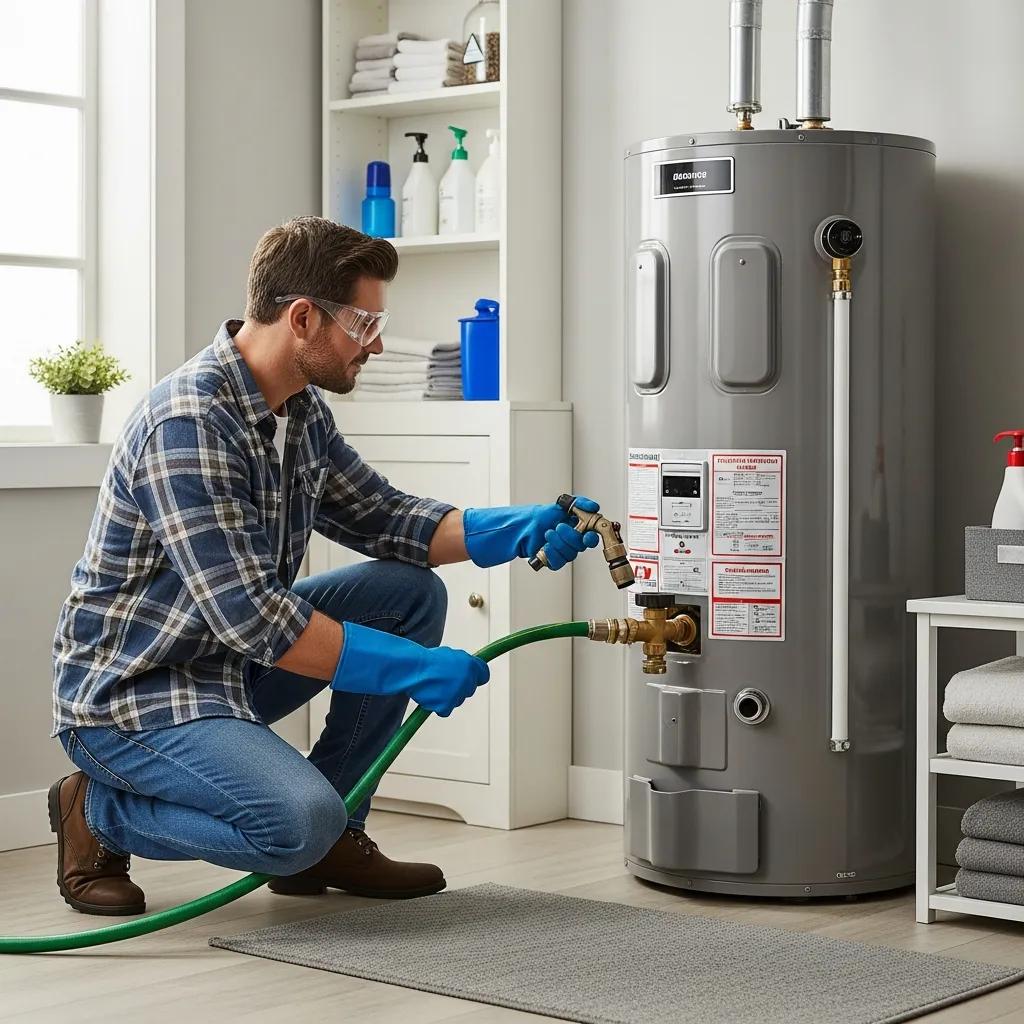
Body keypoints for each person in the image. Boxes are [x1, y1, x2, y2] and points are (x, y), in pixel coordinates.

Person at [48, 216, 601, 916]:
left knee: (405, 594)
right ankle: (98, 811)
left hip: (224, 669)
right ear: (303, 317)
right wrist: (406, 667)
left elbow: (384, 518)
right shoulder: (187, 422)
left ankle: (339, 835)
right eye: (364, 324)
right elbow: (252, 618)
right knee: (296, 821)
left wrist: (515, 527)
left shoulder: (298, 410)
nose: (374, 344)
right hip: (135, 696)